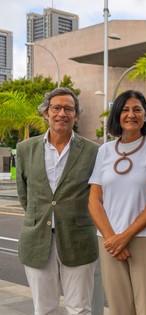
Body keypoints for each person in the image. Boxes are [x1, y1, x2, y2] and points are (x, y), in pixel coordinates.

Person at [16, 87, 99, 315]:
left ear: (76, 114)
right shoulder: (25, 149)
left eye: (68, 109)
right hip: (37, 241)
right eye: (56, 108)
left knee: (80, 309)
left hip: (79, 240)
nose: (62, 113)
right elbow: (24, 193)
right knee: (44, 309)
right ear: (46, 113)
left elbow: (98, 195)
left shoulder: (93, 151)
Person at [88, 90, 146, 315]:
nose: (131, 115)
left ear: (145, 115)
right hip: (110, 242)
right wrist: (112, 239)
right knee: (118, 310)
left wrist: (124, 237)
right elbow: (94, 200)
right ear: (117, 115)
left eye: (137, 109)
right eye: (125, 109)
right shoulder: (104, 151)